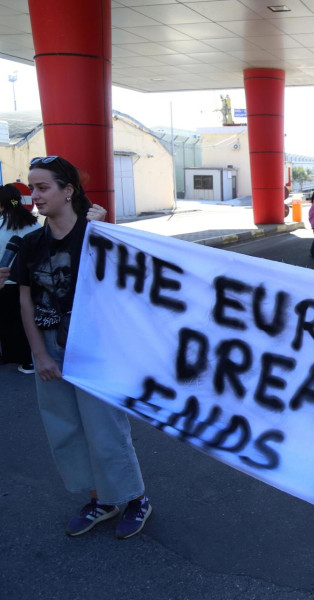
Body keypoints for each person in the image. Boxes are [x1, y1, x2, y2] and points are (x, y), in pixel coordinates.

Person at [15, 156, 151, 539]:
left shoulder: (97, 234)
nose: (35, 196)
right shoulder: (31, 244)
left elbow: (133, 275)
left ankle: (134, 497)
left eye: (43, 188)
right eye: (32, 188)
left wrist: (109, 229)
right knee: (67, 429)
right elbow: (26, 300)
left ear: (68, 190)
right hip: (52, 349)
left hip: (96, 350)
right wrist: (39, 354)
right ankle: (102, 500)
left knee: (105, 428)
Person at [0, 184, 41, 373]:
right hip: (30, 281)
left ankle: (10, 355)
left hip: (4, 281)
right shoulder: (32, 222)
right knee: (25, 321)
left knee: (7, 322)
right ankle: (28, 360)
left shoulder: (1, 223)